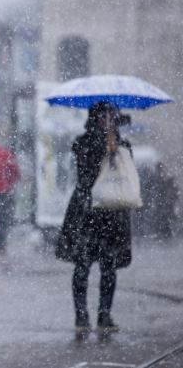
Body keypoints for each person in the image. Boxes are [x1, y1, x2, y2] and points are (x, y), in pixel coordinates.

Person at [55, 102, 132, 334]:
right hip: (87, 211)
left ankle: (104, 315)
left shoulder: (122, 144)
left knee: (109, 268)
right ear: (95, 118)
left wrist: (115, 147)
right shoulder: (83, 142)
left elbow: (127, 172)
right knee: (83, 264)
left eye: (113, 117)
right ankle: (81, 316)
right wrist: (104, 148)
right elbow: (86, 172)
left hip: (112, 211)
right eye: (106, 117)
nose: (110, 120)